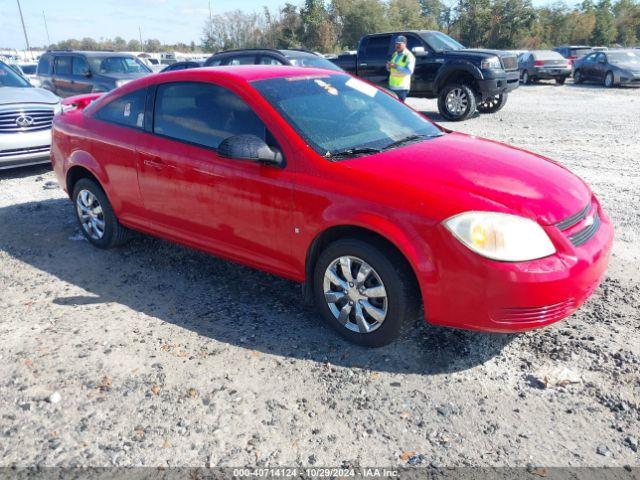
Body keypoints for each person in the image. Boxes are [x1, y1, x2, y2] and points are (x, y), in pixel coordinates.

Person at [386, 35, 416, 103]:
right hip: (392, 87)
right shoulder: (395, 54)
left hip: (402, 88)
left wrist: (396, 67)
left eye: (400, 44)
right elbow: (392, 69)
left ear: (405, 44)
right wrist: (388, 67)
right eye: (396, 43)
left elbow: (409, 71)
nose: (397, 45)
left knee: (398, 110)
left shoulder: (409, 56)